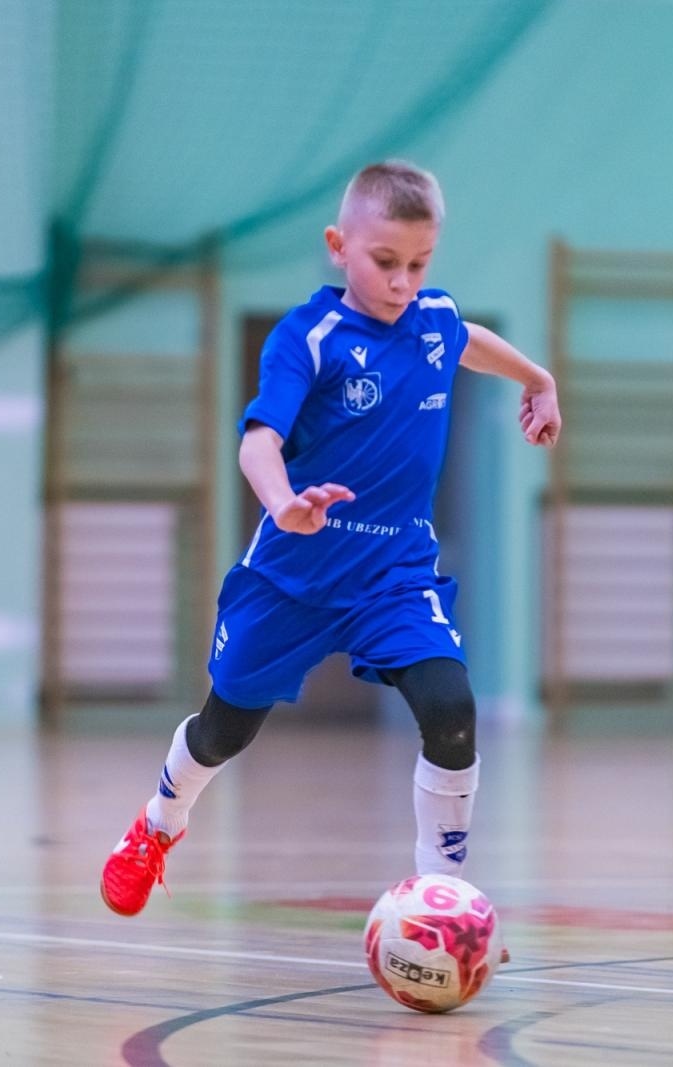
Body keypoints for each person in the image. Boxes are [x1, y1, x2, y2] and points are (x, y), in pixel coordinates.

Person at [100, 160, 561, 917]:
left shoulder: (431, 320)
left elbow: (464, 334)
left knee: (450, 708)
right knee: (224, 730)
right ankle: (158, 824)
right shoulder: (308, 339)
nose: (403, 282)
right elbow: (258, 441)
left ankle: (435, 897)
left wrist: (535, 377)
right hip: (295, 573)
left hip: (394, 575)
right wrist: (282, 503)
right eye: (385, 262)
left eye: (419, 264)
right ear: (338, 246)